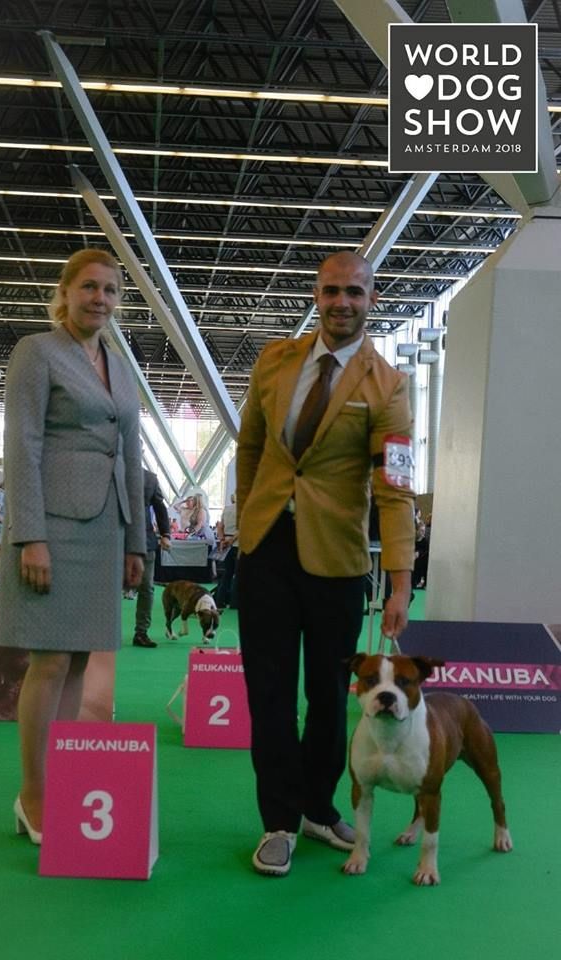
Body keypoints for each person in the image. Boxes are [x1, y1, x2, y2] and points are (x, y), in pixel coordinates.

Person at [236, 251, 416, 876]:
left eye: (355, 293)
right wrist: (248, 520)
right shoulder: (273, 361)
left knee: (328, 696)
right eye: (332, 291)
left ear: (372, 299)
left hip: (337, 560)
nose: (342, 303)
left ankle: (317, 806)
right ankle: (278, 821)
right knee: (268, 693)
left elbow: (395, 489)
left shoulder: (388, 385)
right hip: (265, 552)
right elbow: (251, 448)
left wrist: (400, 582)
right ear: (316, 295)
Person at [0, 247, 146, 844]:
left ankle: (63, 782)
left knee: (81, 659)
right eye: (88, 287)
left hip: (107, 529)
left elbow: (131, 455)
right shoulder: (37, 351)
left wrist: (137, 543)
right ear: (65, 293)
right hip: (52, 528)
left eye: (109, 290)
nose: (99, 299)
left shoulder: (121, 366)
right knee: (51, 660)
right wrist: (28, 535)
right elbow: (22, 446)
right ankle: (32, 793)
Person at [132, 469, 171, 648]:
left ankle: (141, 632)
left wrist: (166, 534)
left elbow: (160, 508)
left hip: (145, 541)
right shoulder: (110, 471)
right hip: (114, 540)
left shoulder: (150, 479)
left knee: (146, 588)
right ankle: (101, 633)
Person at [214, 494, 238, 610]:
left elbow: (220, 526)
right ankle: (234, 602)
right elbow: (241, 528)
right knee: (237, 574)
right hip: (238, 544)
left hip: (226, 544)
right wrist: (232, 540)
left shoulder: (227, 509)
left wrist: (222, 540)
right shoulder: (243, 509)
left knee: (227, 573)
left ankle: (220, 600)